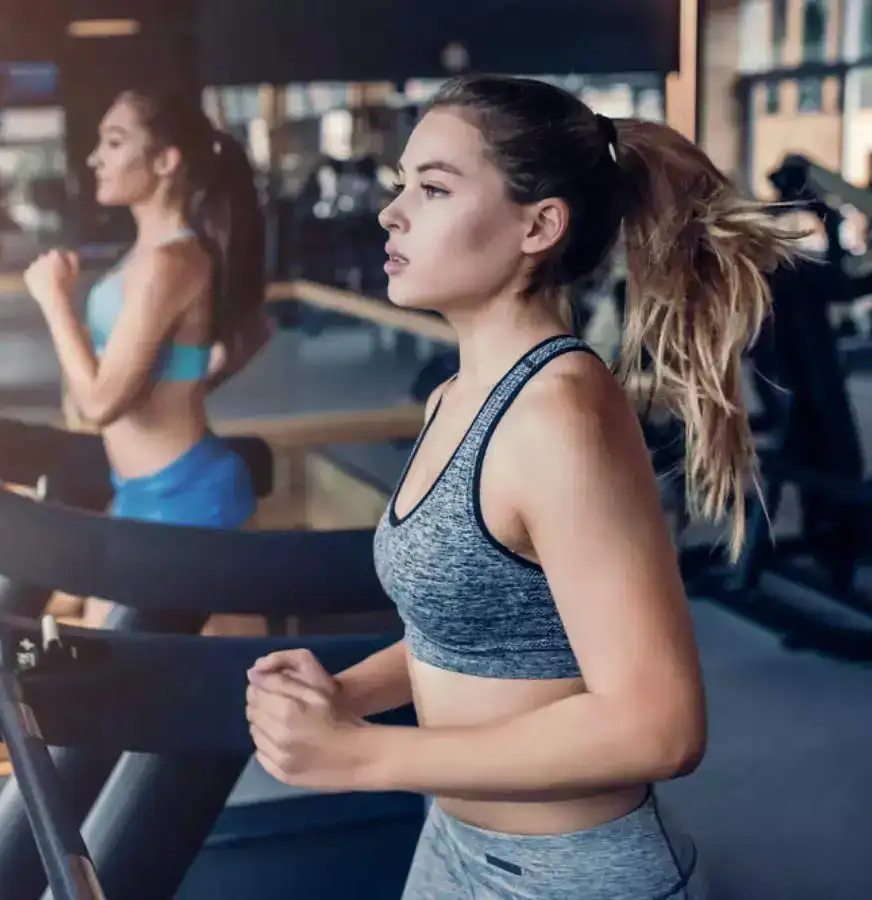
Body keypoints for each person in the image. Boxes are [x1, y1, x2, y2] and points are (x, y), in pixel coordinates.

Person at [244, 74, 803, 899]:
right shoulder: (454, 398)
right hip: (455, 843)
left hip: (572, 875)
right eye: (402, 185)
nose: (391, 212)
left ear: (539, 225)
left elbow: (661, 727)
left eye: (433, 187)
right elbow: (475, 634)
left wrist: (367, 755)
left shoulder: (558, 415)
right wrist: (348, 692)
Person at [22, 88, 270, 530]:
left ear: (165, 162)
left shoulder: (169, 262)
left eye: (115, 143)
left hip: (190, 497)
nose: (95, 159)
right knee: (94, 602)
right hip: (135, 490)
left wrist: (54, 299)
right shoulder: (144, 257)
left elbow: (99, 405)